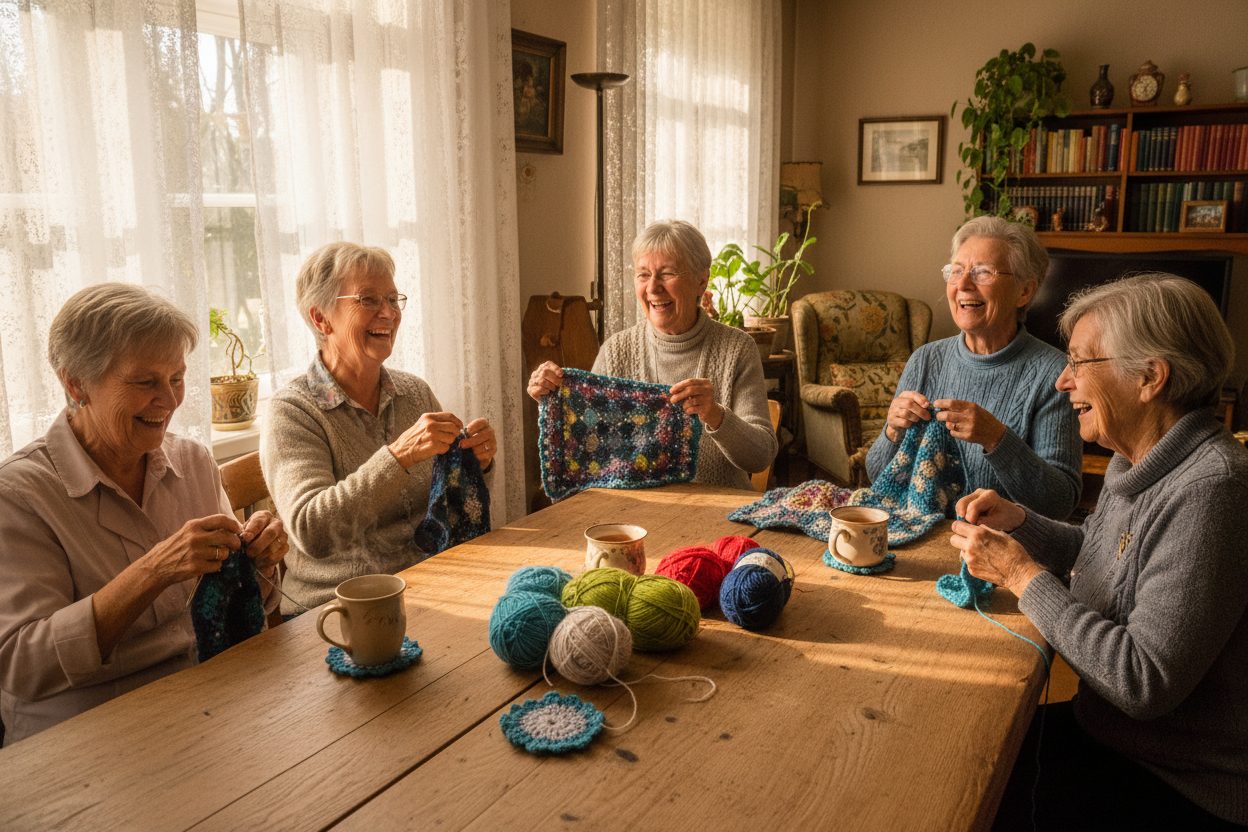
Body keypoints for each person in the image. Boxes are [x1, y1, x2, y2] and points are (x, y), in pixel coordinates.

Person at [951, 273, 1248, 828]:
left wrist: (1021, 575)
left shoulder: (1214, 488)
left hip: (1182, 779)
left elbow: (1143, 679)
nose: (1062, 381)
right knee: (956, 747)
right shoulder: (1137, 460)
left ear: (1149, 377)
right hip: (1112, 735)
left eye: (1081, 363)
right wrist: (1021, 522)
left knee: (967, 800)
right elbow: (1106, 556)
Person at [0, 284, 288, 745]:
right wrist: (153, 570)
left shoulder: (192, 461)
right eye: (145, 382)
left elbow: (240, 599)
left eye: (177, 377)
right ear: (75, 383)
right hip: (87, 739)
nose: (171, 400)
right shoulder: (18, 495)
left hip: (207, 705)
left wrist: (261, 560)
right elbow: (21, 665)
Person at [262, 242, 497, 615]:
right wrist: (399, 456)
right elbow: (311, 530)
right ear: (322, 318)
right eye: (368, 300)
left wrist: (478, 462)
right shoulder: (292, 412)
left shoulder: (414, 392)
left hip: (432, 586)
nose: (388, 313)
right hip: (338, 609)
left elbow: (449, 505)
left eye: (392, 298)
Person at [527, 219, 777, 490]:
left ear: (701, 281)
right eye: (643, 274)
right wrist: (554, 401)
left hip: (720, 514)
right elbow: (589, 449)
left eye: (668, 273)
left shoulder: (737, 349)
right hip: (635, 518)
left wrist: (716, 415)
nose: (653, 287)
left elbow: (761, 456)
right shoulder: (616, 351)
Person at [866, 215, 1081, 519]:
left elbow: (1060, 502)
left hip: (998, 552)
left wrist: (997, 439)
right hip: (921, 537)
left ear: (1024, 291)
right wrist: (892, 431)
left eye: (982, 272)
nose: (963, 285)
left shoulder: (1054, 373)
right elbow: (880, 479)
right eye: (956, 271)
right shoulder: (925, 360)